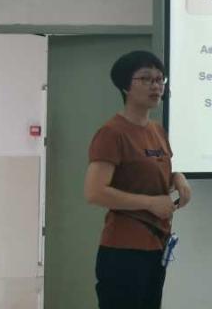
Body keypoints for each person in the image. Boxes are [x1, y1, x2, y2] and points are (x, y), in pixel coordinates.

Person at [84, 50, 192, 309]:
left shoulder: (157, 131)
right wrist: (150, 203)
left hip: (156, 246)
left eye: (159, 79)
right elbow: (95, 192)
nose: (156, 86)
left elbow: (151, 176)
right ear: (125, 86)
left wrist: (177, 178)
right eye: (146, 79)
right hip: (124, 249)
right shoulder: (112, 133)